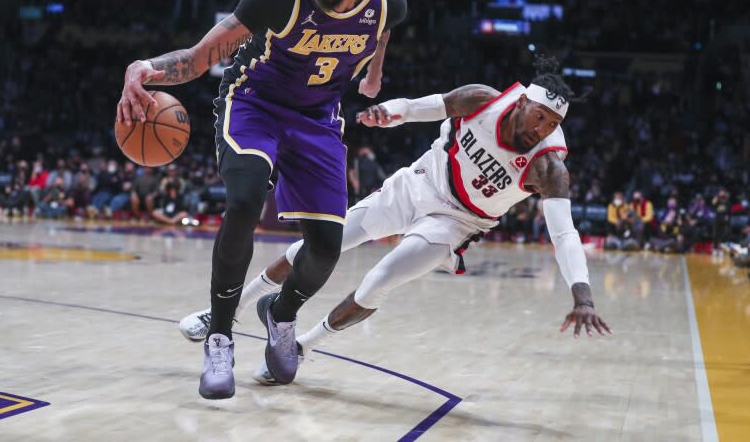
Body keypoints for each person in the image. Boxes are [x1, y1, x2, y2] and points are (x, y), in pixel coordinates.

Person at [116, 0, 407, 399]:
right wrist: (142, 69)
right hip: (254, 104)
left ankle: (281, 312)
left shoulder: (388, 2)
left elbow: (384, 29)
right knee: (246, 199)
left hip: (317, 117)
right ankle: (220, 338)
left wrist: (375, 72)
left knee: (326, 248)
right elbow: (198, 58)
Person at [179, 64, 612, 386]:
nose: (542, 128)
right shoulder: (483, 99)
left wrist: (584, 296)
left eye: (552, 124)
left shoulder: (550, 168)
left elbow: (564, 234)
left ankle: (301, 346)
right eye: (539, 116)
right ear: (521, 102)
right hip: (417, 184)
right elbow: (434, 104)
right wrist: (391, 110)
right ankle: (227, 312)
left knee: (378, 281)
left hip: (456, 223)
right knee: (323, 243)